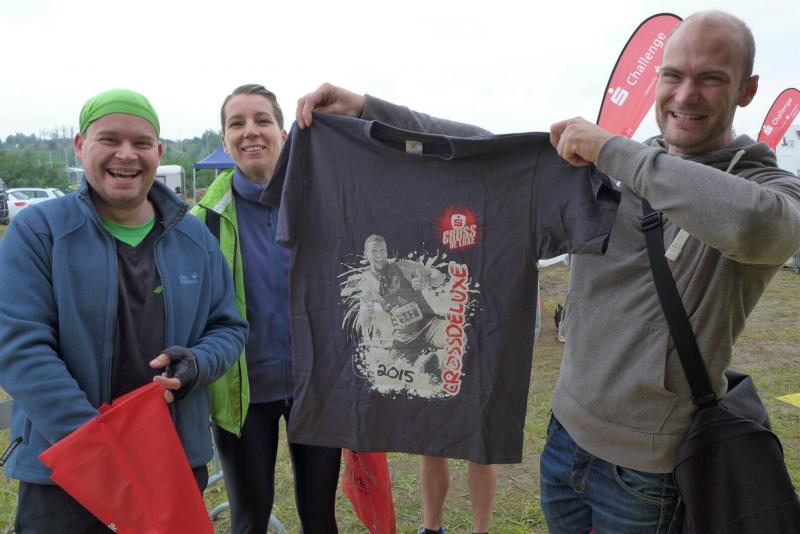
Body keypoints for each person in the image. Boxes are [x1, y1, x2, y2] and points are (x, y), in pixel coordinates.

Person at [541, 11, 800, 533]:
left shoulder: (768, 187)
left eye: (711, 78)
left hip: (645, 471)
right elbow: (501, 159)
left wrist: (612, 149)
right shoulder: (617, 169)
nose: (685, 95)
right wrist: (379, 117)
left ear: (747, 90)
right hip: (563, 437)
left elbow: (756, 226)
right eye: (673, 75)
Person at [0, 88, 248, 533]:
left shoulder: (195, 239)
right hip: (66, 471)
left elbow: (228, 328)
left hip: (171, 461)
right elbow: (19, 347)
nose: (126, 155)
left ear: (159, 152)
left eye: (141, 142)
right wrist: (99, 450)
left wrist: (197, 363)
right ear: (80, 145)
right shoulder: (40, 232)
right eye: (109, 139)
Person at [296, 84, 500, 534]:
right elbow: (362, 313)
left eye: (379, 252)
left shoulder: (417, 251)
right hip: (413, 346)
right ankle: (431, 527)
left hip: (448, 332)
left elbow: (436, 280)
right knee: (433, 437)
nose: (376, 257)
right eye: (371, 253)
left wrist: (439, 295)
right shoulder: (368, 275)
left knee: (480, 439)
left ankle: (481, 529)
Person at [191, 84, 341, 534]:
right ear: (224, 141)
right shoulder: (204, 221)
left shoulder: (322, 203)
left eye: (262, 120)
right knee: (249, 520)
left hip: (316, 387)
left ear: (284, 133)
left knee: (320, 518)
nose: (250, 131)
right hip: (242, 396)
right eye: (236, 124)